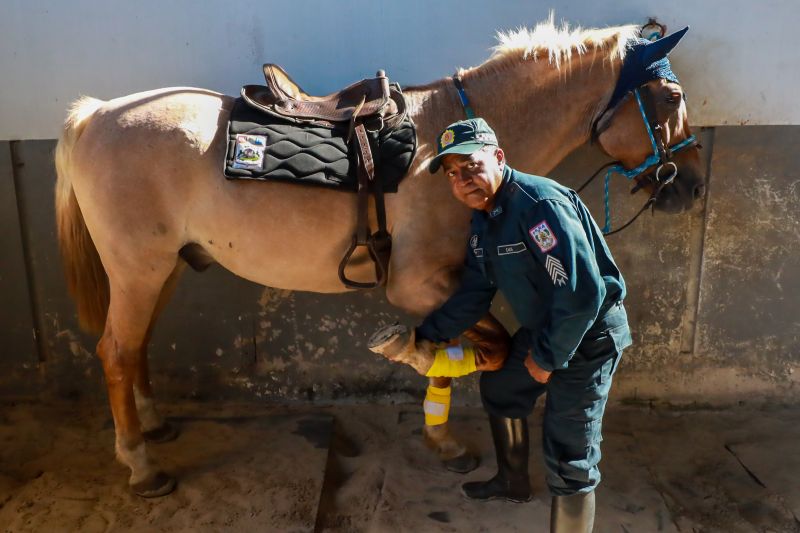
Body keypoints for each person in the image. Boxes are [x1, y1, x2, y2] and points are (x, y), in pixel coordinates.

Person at [370, 118, 632, 532]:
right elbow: (474, 292)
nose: (463, 180)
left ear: (498, 157)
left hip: (588, 336)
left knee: (569, 455)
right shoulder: (485, 221)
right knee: (501, 386)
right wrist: (425, 338)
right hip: (545, 328)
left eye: (471, 165)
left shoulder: (538, 206)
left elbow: (582, 297)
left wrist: (546, 358)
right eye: (453, 174)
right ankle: (512, 483)